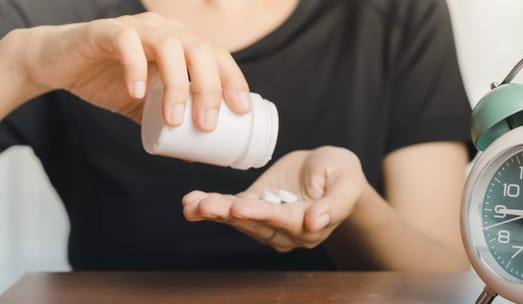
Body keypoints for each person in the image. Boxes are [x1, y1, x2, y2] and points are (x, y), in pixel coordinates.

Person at [0, 0, 472, 271]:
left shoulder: (393, 12)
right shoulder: (52, 16)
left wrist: (350, 209)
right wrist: (21, 65)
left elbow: (444, 283)